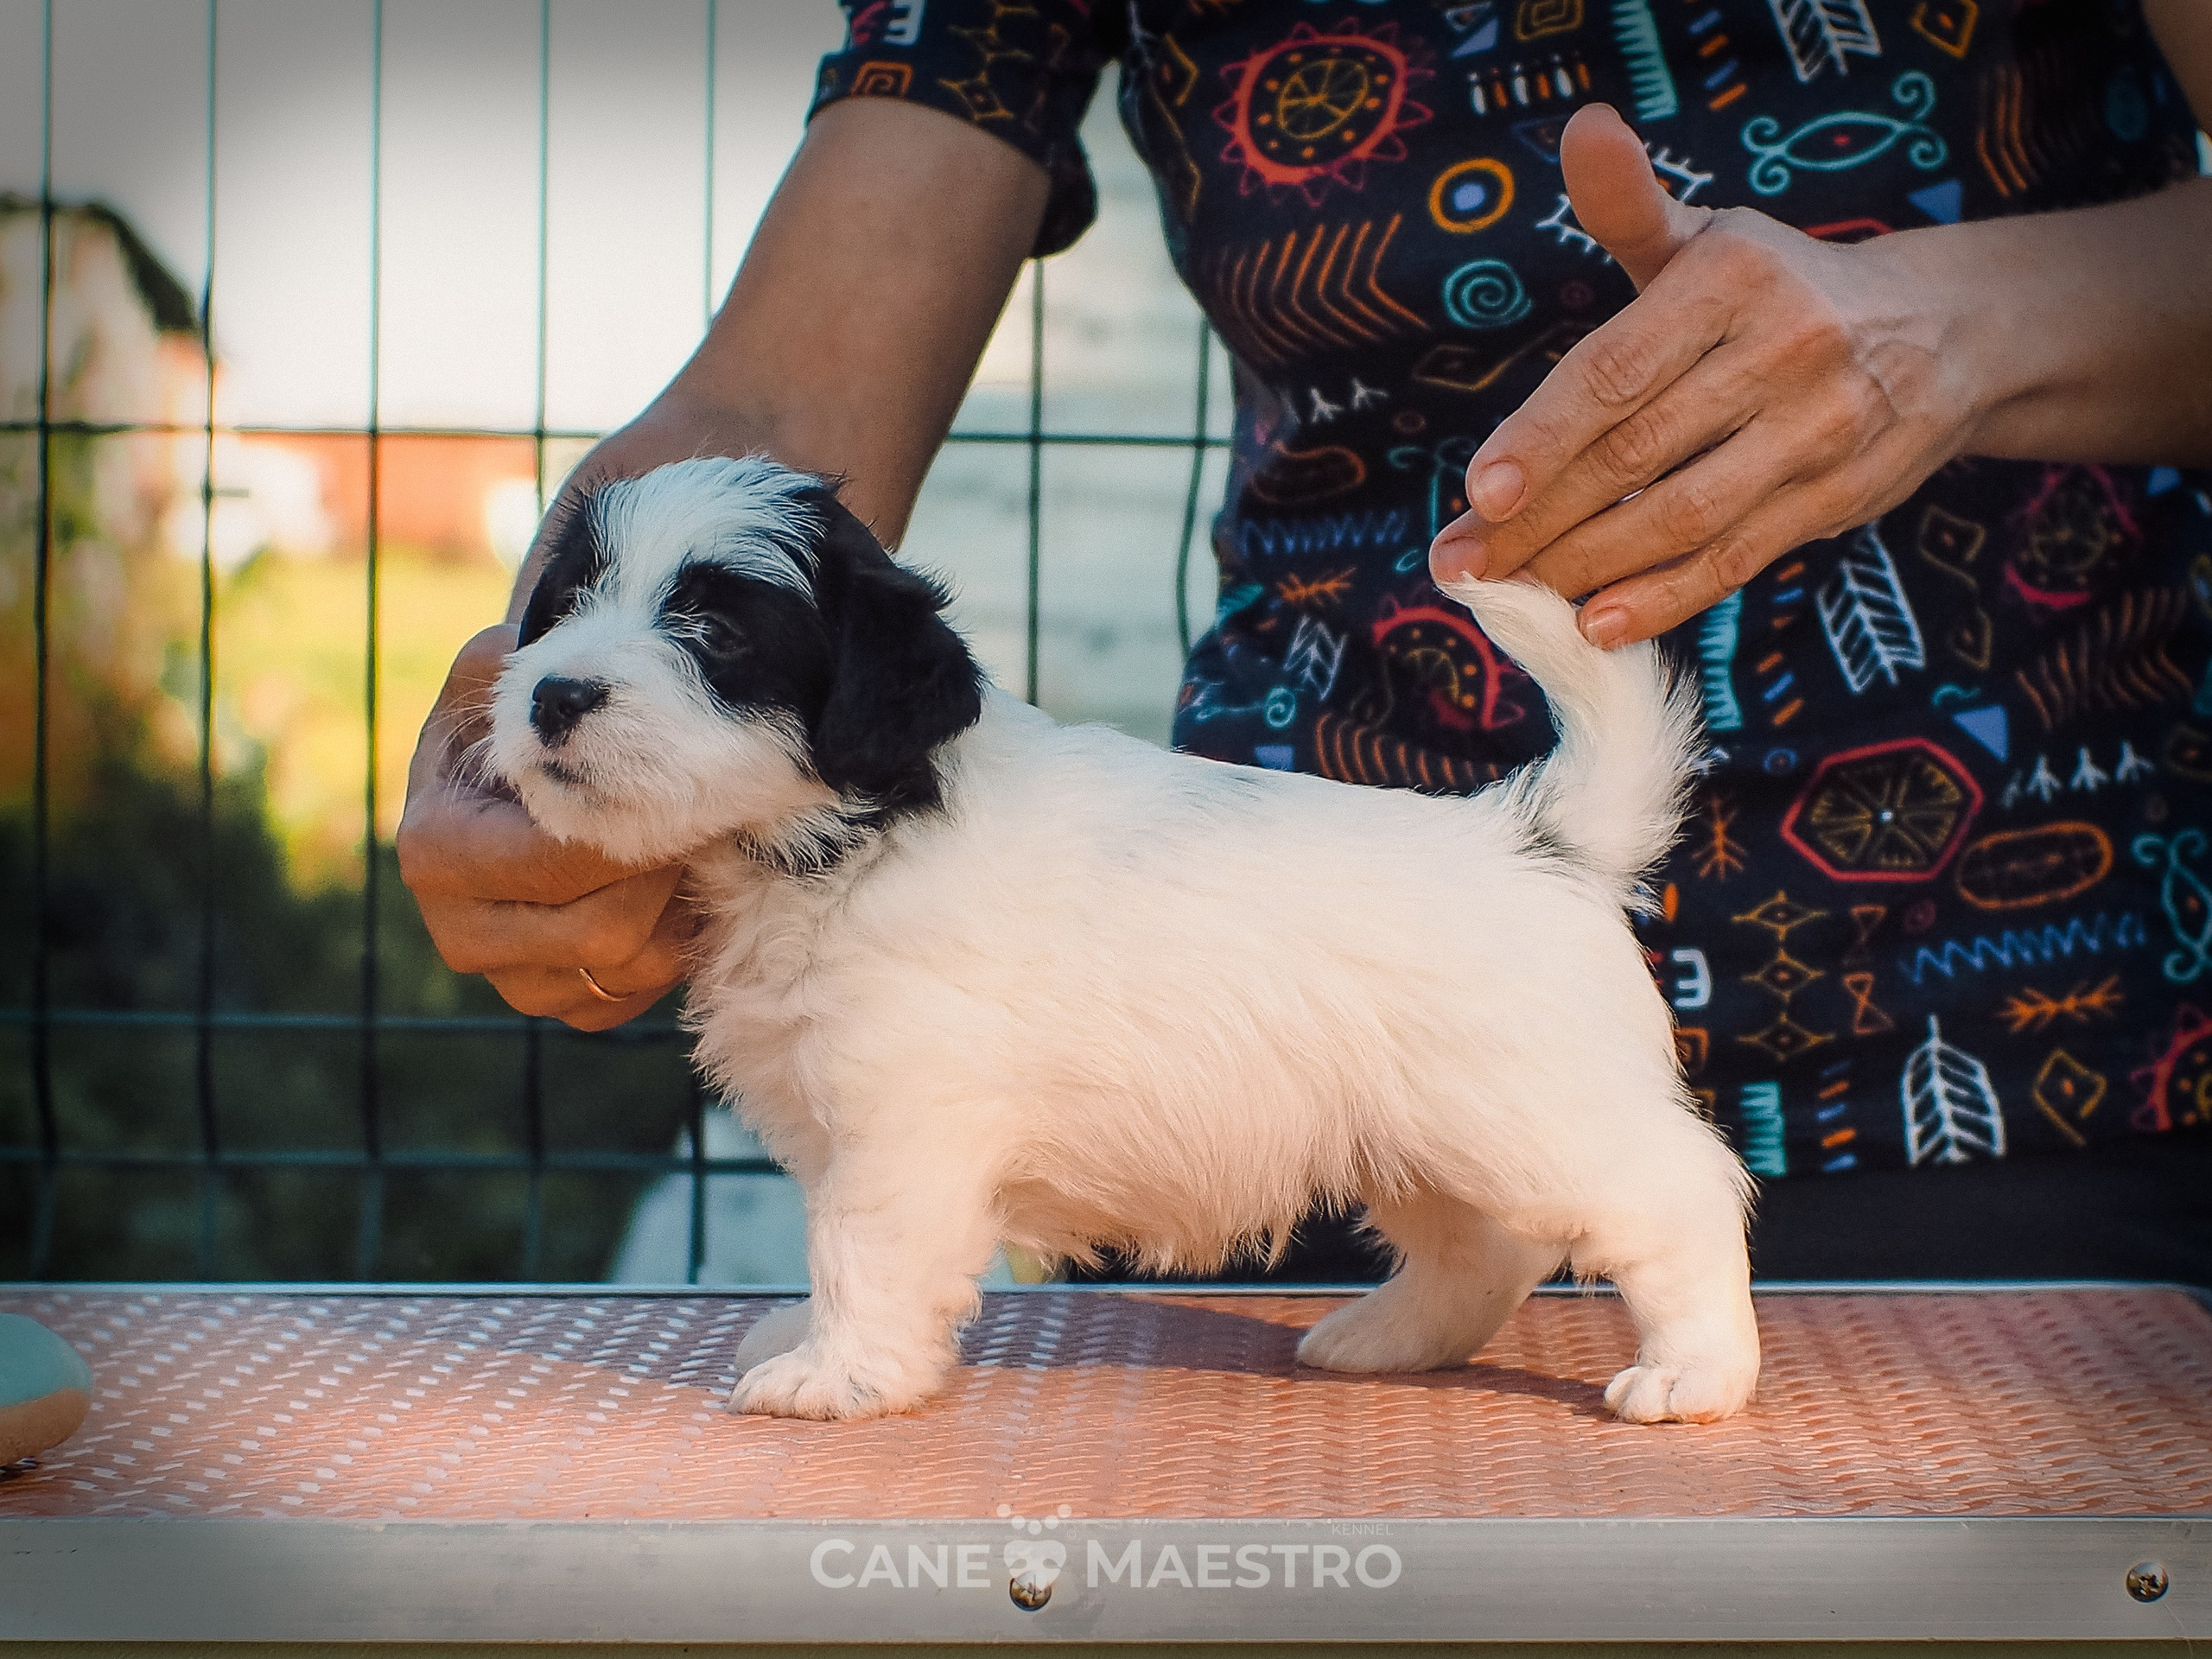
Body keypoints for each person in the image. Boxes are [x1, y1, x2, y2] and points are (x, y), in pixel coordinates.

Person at [399, 0, 2212, 1282]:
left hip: (2021, 993)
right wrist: (538, 684)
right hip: (1235, 985)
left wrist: (1946, 329)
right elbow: (775, 429)